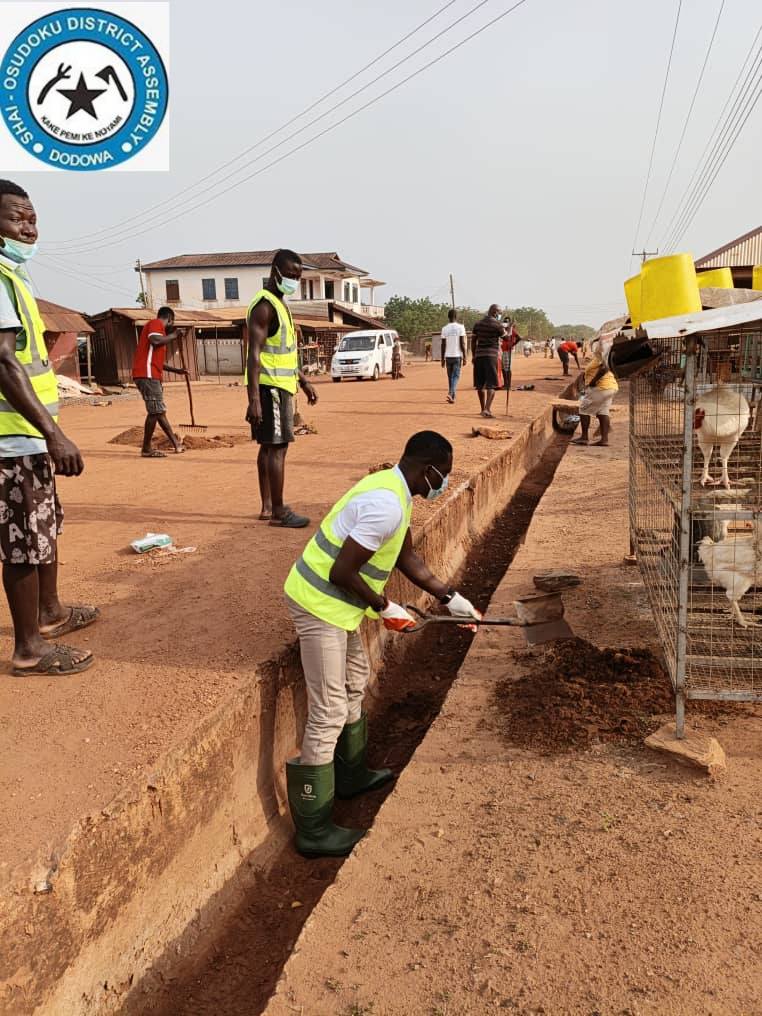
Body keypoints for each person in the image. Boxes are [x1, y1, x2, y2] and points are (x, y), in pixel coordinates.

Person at [282, 430, 481, 857]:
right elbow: (342, 572)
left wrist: (451, 598)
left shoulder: (397, 490)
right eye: (442, 475)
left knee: (355, 681)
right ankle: (313, 831)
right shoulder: (384, 505)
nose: (443, 483)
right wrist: (385, 606)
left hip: (341, 608)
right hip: (319, 604)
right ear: (427, 469)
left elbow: (405, 557)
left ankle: (350, 777)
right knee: (329, 709)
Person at [0, 180, 99, 676]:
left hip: (28, 436)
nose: (29, 228)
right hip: (12, 441)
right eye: (18, 219)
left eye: (32, 218)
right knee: (22, 539)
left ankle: (51, 613)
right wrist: (52, 434)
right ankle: (28, 649)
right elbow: (2, 362)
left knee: (44, 529)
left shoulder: (15, 278)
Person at [246, 249, 318, 528]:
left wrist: (303, 380)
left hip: (282, 385)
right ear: (275, 271)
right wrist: (253, 400)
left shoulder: (280, 305)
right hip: (270, 387)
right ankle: (278, 510)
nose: (293, 281)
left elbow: (286, 352)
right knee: (277, 447)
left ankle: (267, 507)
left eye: (297, 276)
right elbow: (254, 355)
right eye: (289, 275)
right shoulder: (264, 306)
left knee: (268, 447)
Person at [132, 307, 188, 458]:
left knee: (159, 411)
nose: (171, 324)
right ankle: (146, 448)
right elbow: (155, 340)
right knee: (155, 411)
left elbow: (157, 362)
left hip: (150, 374)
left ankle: (176, 444)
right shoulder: (156, 324)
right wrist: (174, 335)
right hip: (148, 375)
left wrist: (178, 371)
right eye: (172, 322)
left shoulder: (160, 333)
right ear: (169, 318)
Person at [572, 333, 619, 447]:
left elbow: (605, 368)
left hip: (601, 387)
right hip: (609, 387)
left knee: (584, 409)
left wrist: (593, 381)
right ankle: (604, 439)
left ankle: (584, 437)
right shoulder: (599, 356)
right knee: (603, 412)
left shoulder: (602, 356)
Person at [471, 304, 505, 417]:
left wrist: (473, 355)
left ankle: (482, 409)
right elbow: (506, 337)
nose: (500, 315)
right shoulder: (497, 325)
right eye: (499, 313)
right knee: (491, 385)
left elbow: (473, 341)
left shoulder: (478, 324)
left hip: (479, 356)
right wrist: (509, 329)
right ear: (495, 312)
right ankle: (487, 409)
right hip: (491, 356)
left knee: (479, 385)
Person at [440, 309, 467, 403]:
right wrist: (465, 356)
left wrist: (442, 359)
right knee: (455, 377)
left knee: (450, 377)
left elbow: (443, 345)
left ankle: (453, 397)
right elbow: (462, 343)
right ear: (456, 317)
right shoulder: (460, 327)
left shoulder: (444, 328)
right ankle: (451, 393)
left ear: (448, 317)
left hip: (448, 357)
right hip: (457, 356)